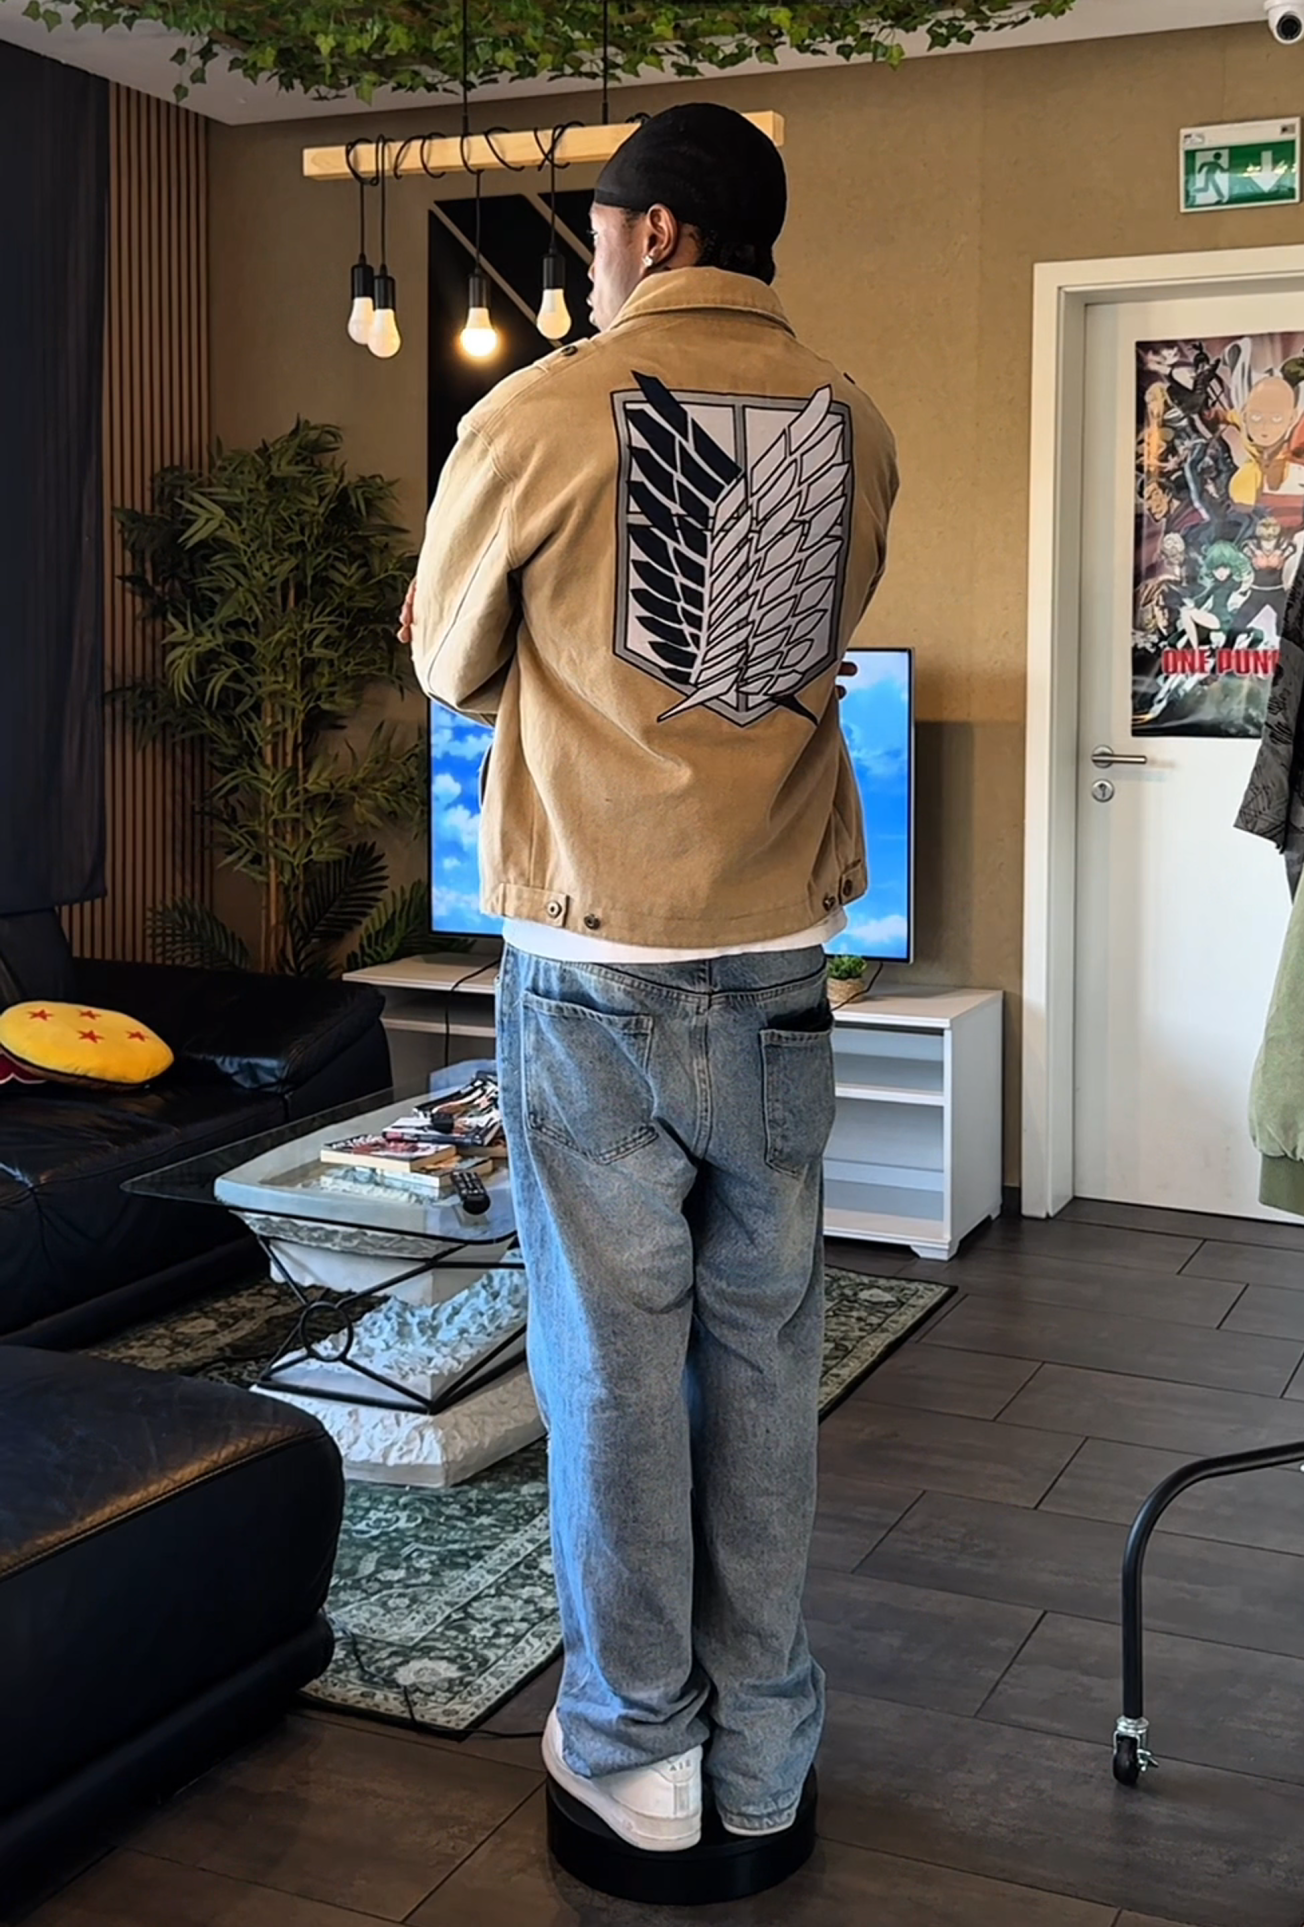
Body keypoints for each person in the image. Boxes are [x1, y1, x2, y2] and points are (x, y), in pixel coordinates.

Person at [404, 103, 898, 1855]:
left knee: (613, 1369)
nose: (591, 270)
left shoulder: (539, 414)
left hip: (594, 970)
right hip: (778, 969)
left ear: (661, 232)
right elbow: (817, 638)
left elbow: (451, 662)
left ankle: (638, 1757)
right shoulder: (854, 418)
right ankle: (763, 1751)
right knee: (763, 1361)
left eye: (599, 238)